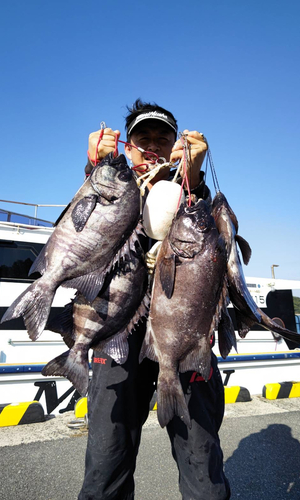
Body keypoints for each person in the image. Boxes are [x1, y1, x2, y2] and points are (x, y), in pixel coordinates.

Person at [78, 99, 231, 500]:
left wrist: (194, 179)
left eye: (162, 138)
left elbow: (216, 242)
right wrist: (96, 170)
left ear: (176, 146)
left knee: (203, 468)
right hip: (116, 338)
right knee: (105, 466)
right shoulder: (111, 188)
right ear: (126, 148)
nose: (152, 146)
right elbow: (82, 234)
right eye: (142, 138)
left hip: (185, 336)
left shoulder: (192, 193)